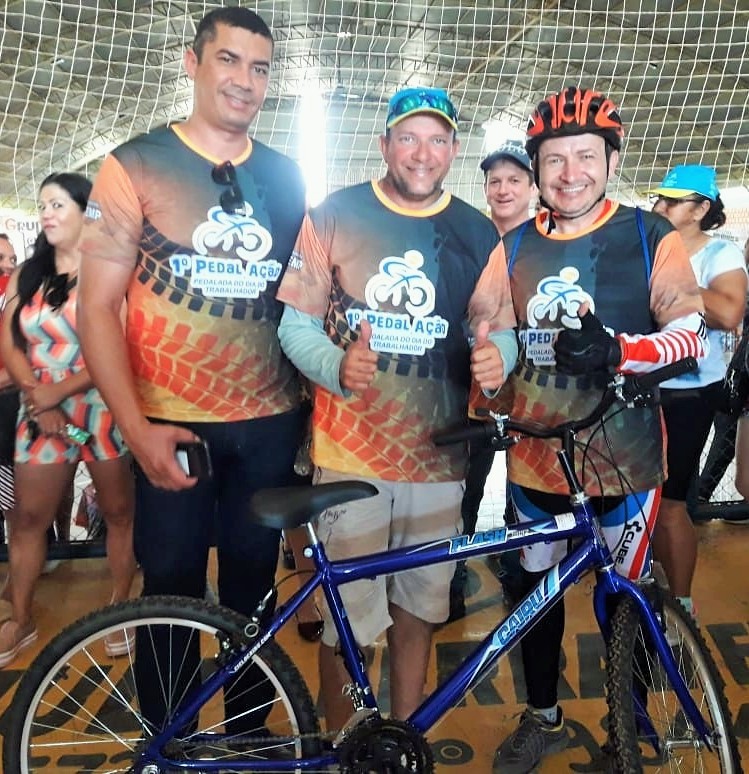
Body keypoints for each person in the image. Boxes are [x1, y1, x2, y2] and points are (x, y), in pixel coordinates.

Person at [77, 7, 307, 731]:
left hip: (268, 421)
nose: (244, 80)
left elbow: (300, 303)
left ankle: (247, 733)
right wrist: (134, 427)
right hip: (170, 421)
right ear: (193, 63)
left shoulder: (285, 176)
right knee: (172, 588)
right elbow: (96, 309)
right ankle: (168, 742)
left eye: (259, 67)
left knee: (252, 587)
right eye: (228, 60)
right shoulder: (135, 163)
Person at [276, 85, 518, 731]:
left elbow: (499, 330)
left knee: (421, 611)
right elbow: (295, 325)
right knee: (346, 626)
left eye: (436, 139)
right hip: (350, 455)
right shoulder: (335, 214)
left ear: (453, 149)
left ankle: (406, 741)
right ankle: (342, 745)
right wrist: (335, 365)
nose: (421, 153)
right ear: (384, 144)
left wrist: (499, 359)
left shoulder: (476, 231)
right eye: (408, 137)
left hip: (438, 458)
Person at [491, 86, 707, 773]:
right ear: (536, 168)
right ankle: (542, 718)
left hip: (626, 460)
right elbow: (491, 337)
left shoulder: (649, 236)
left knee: (627, 603)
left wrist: (619, 350)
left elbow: (690, 334)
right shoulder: (512, 245)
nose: (570, 173)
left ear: (612, 161)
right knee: (536, 599)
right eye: (554, 159)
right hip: (535, 460)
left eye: (586, 155)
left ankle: (630, 727)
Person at [0, 173, 137, 667]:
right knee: (28, 518)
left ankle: (121, 606)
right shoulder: (29, 273)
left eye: (58, 204)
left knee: (118, 512)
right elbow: (8, 339)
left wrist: (57, 394)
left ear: (86, 211)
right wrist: (40, 399)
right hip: (39, 411)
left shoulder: (110, 271)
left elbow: (117, 345)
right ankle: (20, 617)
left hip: (100, 407)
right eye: (42, 205)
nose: (46, 214)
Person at [649, 166, 746, 611]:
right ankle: (641, 592)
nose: (660, 207)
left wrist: (679, 281)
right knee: (632, 502)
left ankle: (681, 606)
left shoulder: (719, 253)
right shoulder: (648, 247)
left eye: (673, 201)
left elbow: (728, 313)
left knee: (670, 504)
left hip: (687, 394)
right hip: (635, 388)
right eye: (659, 198)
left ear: (701, 208)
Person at [449, 139, 535, 620]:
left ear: (532, 187)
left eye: (514, 180)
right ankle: (452, 577)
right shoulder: (472, 237)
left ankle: (520, 570)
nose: (503, 189)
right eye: (495, 180)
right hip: (477, 388)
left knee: (524, 486)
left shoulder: (546, 241)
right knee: (468, 484)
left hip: (534, 391)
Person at [699, 235, 749, 504]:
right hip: (740, 380)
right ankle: (701, 494)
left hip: (739, 376)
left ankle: (701, 494)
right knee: (745, 481)